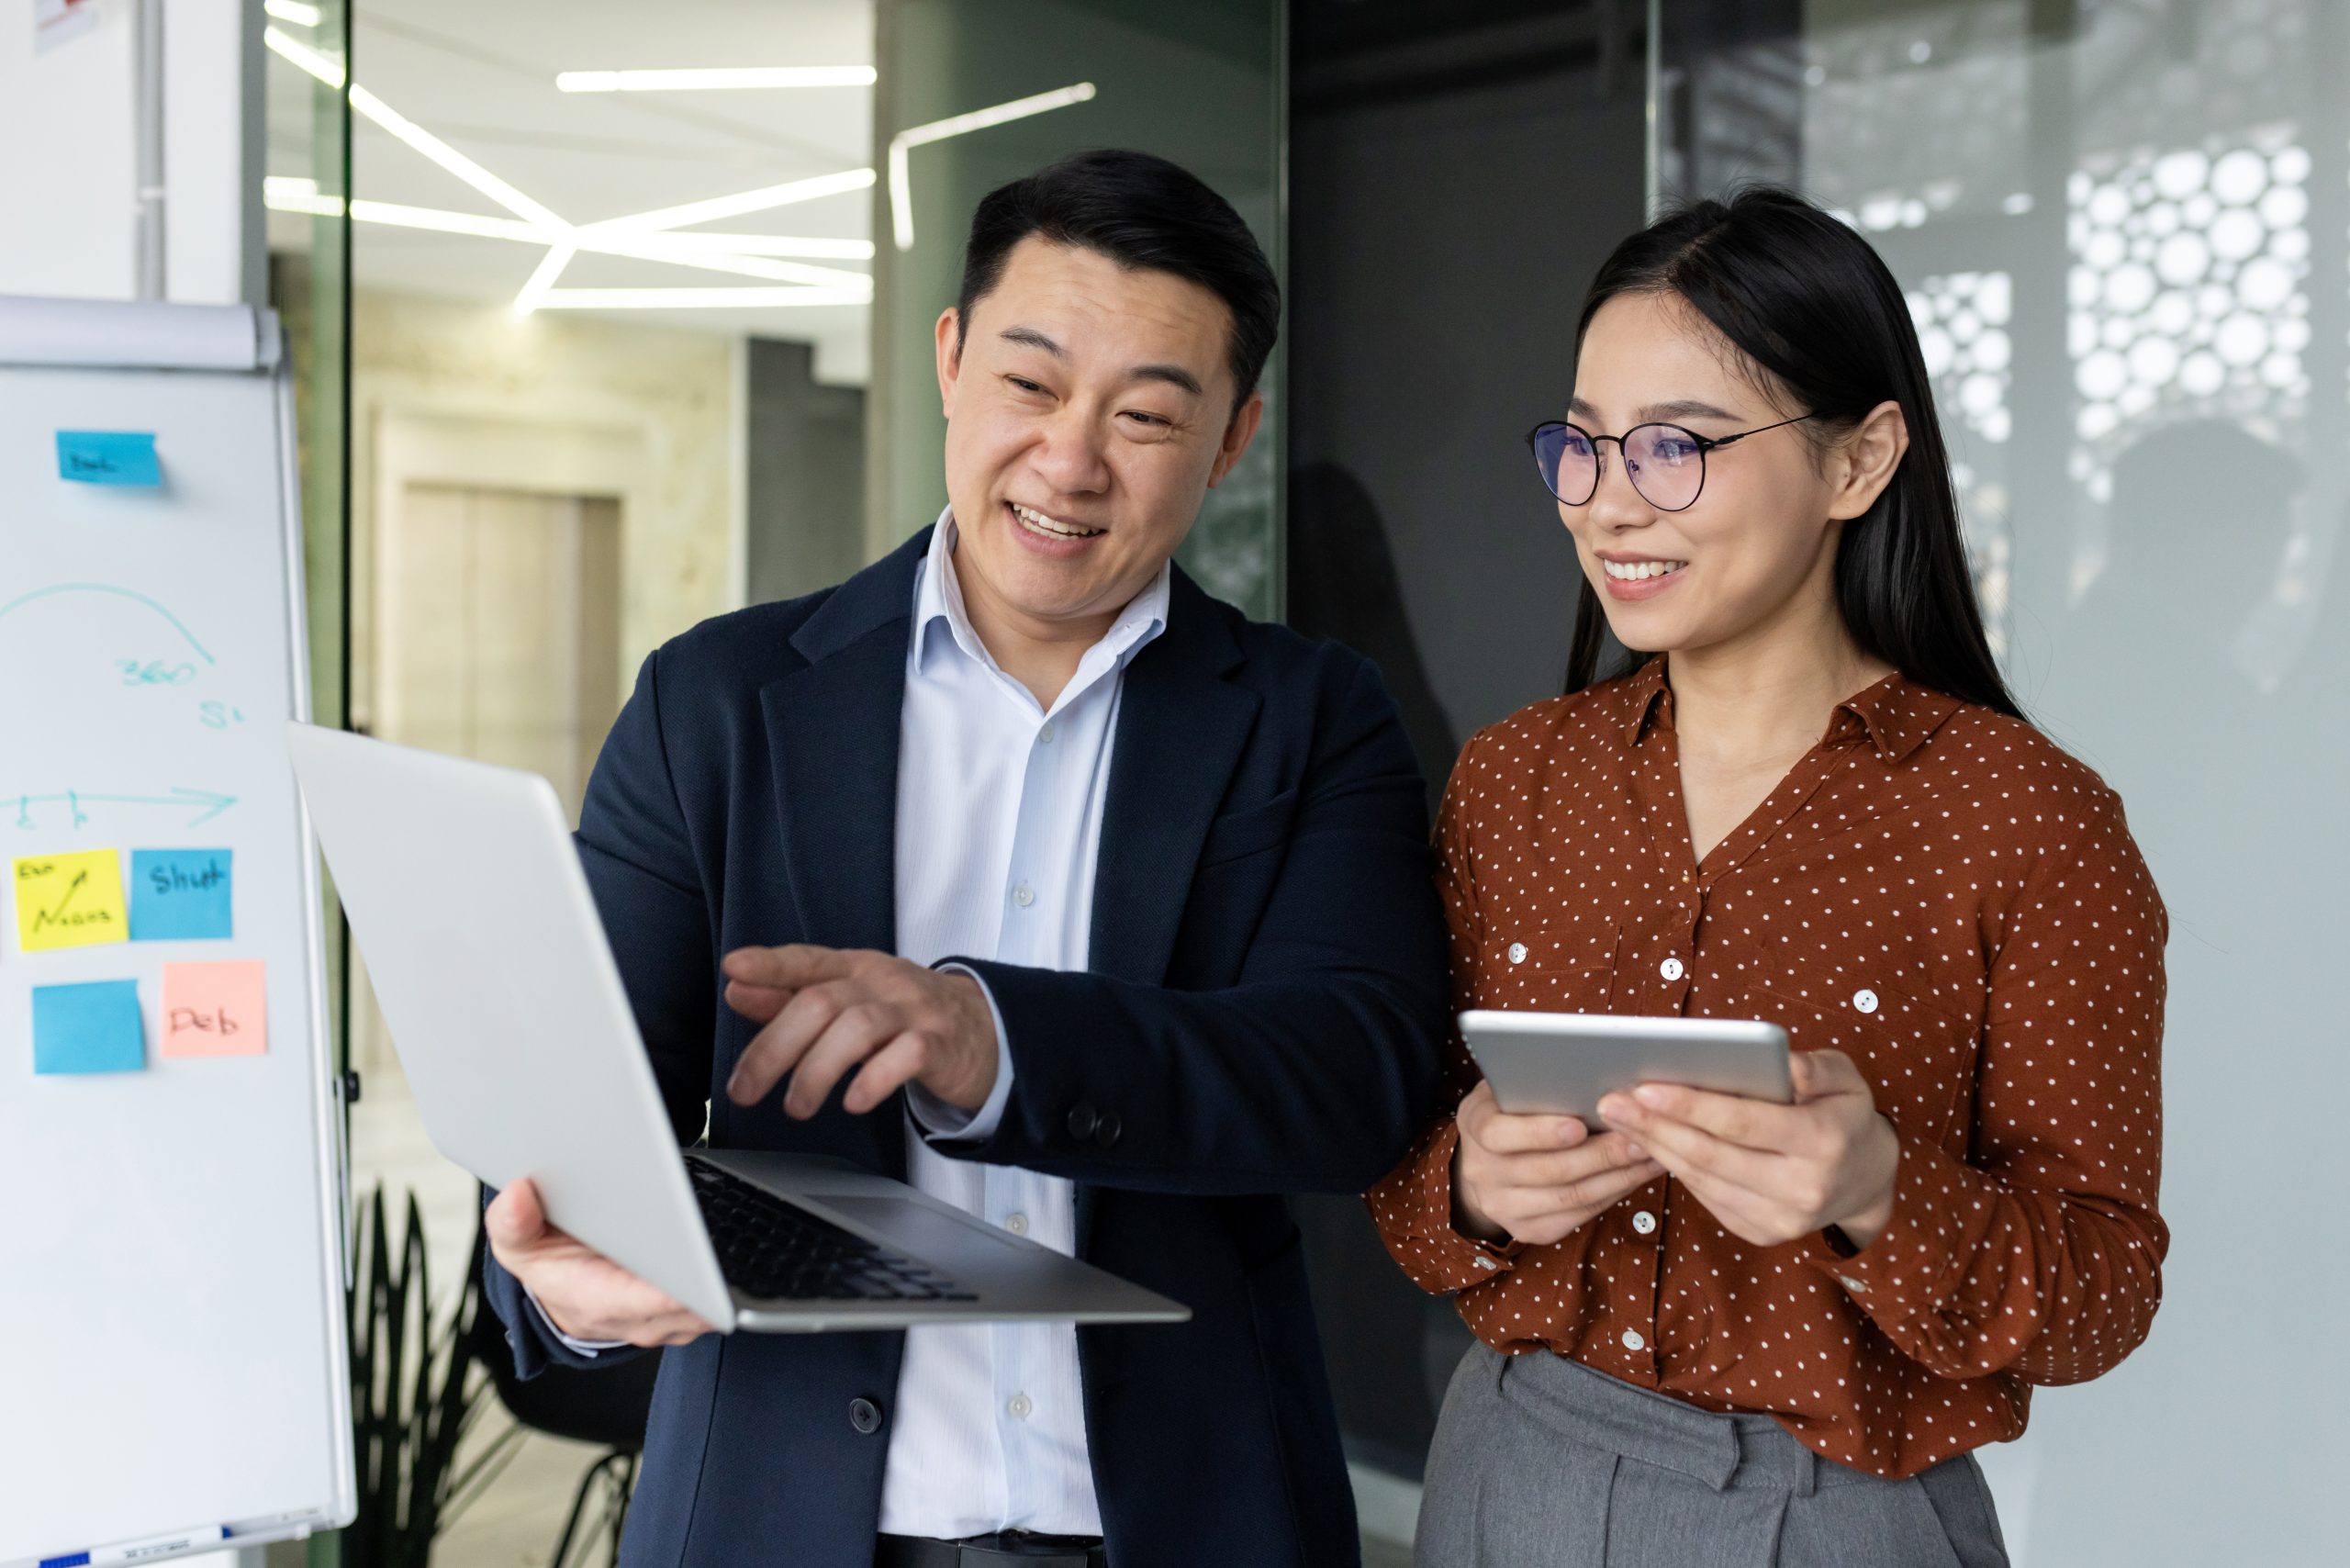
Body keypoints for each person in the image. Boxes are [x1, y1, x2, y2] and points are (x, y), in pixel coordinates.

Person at [479, 149, 1450, 1568]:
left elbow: (1356, 1076)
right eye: (1031, 385)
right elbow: (571, 1105)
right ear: (949, 359)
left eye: (1147, 416)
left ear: (1233, 439)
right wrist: (566, 1279)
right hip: (776, 1518)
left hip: (1187, 1517)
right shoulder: (720, 702)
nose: (1070, 461)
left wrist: (988, 1035)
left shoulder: (1310, 716)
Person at [1368, 187, 2168, 1567]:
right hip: (1505, 1470)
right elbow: (1402, 1174)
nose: (1610, 501)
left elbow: (2102, 1292)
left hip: (1839, 1511)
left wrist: (1880, 1190)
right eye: (1584, 444)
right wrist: (1474, 1188)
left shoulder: (2029, 818)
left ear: (1860, 463)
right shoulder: (1514, 782)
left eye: (1678, 445)